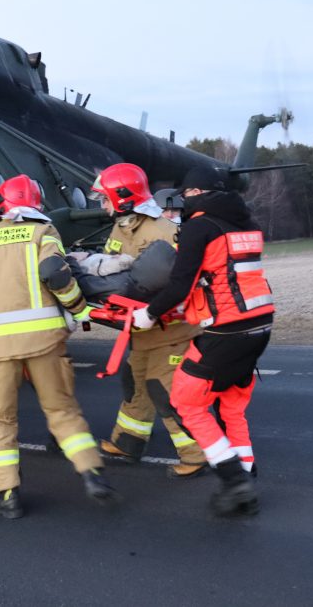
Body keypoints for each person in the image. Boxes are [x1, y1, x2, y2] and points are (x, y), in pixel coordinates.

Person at [0, 174, 112, 519]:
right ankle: (92, 473)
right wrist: (78, 307)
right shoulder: (43, 233)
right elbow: (56, 275)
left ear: (3, 205)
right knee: (61, 411)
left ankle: (6, 493)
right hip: (46, 342)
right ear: (36, 205)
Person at [133, 165, 275, 516]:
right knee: (230, 405)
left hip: (226, 330)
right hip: (259, 326)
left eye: (186, 196)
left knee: (187, 401)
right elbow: (223, 275)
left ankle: (233, 481)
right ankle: (245, 477)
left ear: (196, 194)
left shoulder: (200, 227)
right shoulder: (247, 225)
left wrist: (149, 313)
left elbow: (181, 283)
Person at [90, 163, 207, 478]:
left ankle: (196, 454)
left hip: (171, 329)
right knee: (135, 382)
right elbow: (116, 270)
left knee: (164, 391)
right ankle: (128, 441)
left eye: (105, 199)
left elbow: (175, 283)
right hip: (141, 330)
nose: (101, 205)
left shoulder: (164, 232)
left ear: (124, 198)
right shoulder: (121, 227)